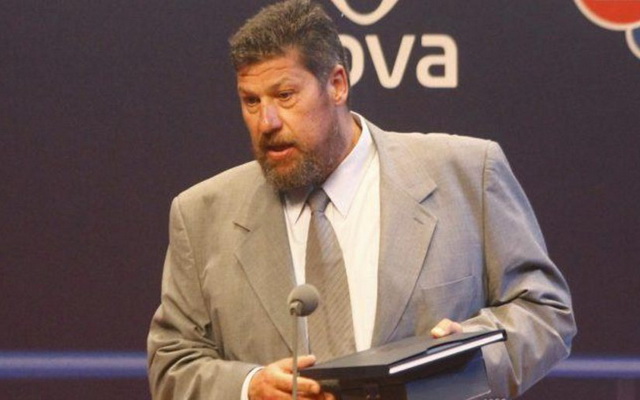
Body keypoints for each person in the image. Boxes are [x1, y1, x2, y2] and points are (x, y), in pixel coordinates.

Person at [147, 0, 576, 399]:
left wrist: (463, 359)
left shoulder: (466, 173)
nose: (267, 121)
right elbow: (172, 361)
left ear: (336, 85)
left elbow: (545, 312)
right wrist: (249, 387)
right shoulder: (201, 213)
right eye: (251, 101)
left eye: (285, 95)